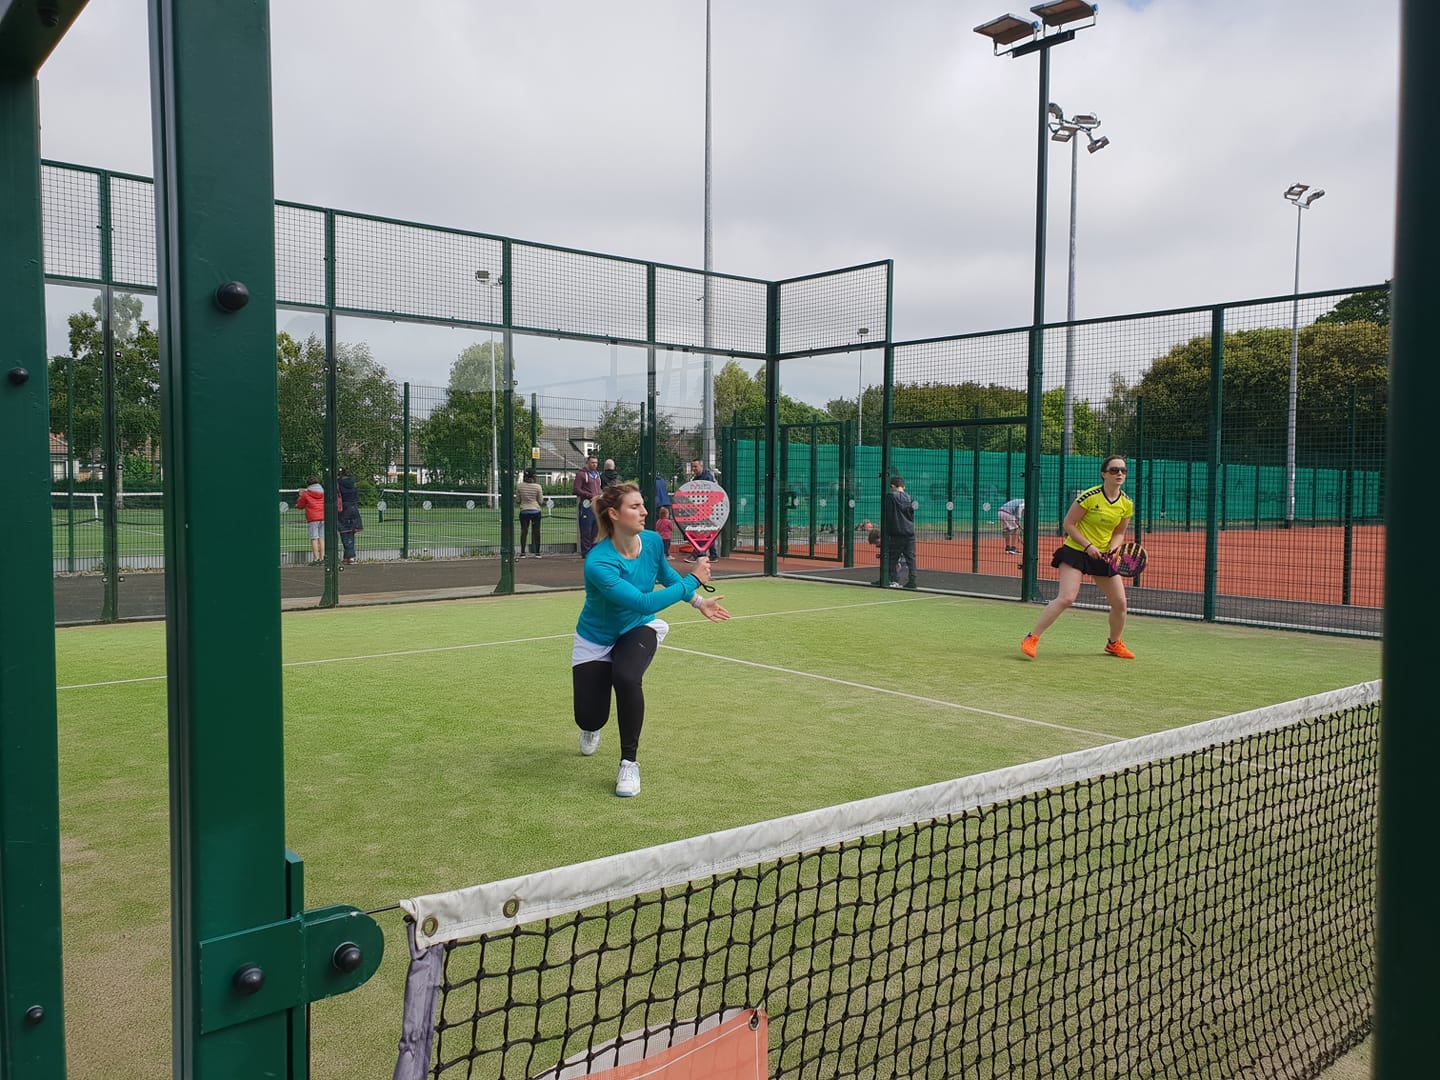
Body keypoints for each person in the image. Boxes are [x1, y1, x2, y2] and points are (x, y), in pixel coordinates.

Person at [572, 482, 730, 797]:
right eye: (635, 507)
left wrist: (699, 602)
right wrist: (694, 579)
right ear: (614, 514)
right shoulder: (599, 563)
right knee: (590, 716)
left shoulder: (654, 541)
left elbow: (667, 578)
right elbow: (644, 601)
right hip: (596, 637)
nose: (644, 511)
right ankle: (591, 727)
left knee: (627, 677)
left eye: (643, 505)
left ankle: (628, 763)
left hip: (638, 628)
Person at [1022, 455, 1136, 660]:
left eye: (1123, 471)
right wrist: (1088, 546)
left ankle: (1114, 643)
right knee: (1067, 597)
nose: (1119, 473)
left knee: (1120, 603)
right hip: (1076, 551)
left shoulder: (1126, 503)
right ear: (1104, 474)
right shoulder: (1089, 497)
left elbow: (1120, 532)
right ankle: (1032, 638)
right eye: (1114, 470)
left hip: (1102, 555)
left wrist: (1112, 548)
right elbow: (1069, 524)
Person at [881, 476, 917, 590]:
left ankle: (890, 579)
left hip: (897, 532)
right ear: (903, 486)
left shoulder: (890, 497)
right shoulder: (910, 498)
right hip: (910, 532)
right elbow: (911, 515)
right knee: (910, 558)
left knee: (892, 557)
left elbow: (888, 515)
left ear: (892, 486)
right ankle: (912, 580)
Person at [572, 455, 602, 557]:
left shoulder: (597, 474)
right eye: (592, 462)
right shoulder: (581, 475)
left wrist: (601, 495)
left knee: (596, 529)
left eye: (596, 463)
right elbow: (576, 489)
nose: (595, 464)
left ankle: (594, 551)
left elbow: (598, 488)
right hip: (586, 505)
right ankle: (586, 552)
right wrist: (589, 495)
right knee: (586, 529)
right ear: (587, 463)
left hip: (597, 505)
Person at [294, 476, 326, 564]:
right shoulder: (323, 492)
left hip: (313, 518)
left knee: (314, 538)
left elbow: (300, 505)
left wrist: (300, 495)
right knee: (322, 538)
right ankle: (323, 558)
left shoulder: (306, 494)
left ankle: (316, 559)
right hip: (323, 516)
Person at [336, 467, 363, 565]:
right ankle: (348, 556)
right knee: (351, 532)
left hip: (343, 509)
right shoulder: (352, 483)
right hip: (353, 508)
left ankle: (350, 556)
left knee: (344, 532)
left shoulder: (337, 483)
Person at [516, 468, 544, 557]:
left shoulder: (520, 486)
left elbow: (517, 500)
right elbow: (540, 501)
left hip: (524, 511)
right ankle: (537, 553)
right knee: (536, 531)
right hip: (535, 511)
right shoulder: (538, 487)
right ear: (533, 477)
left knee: (524, 531)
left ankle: (523, 552)